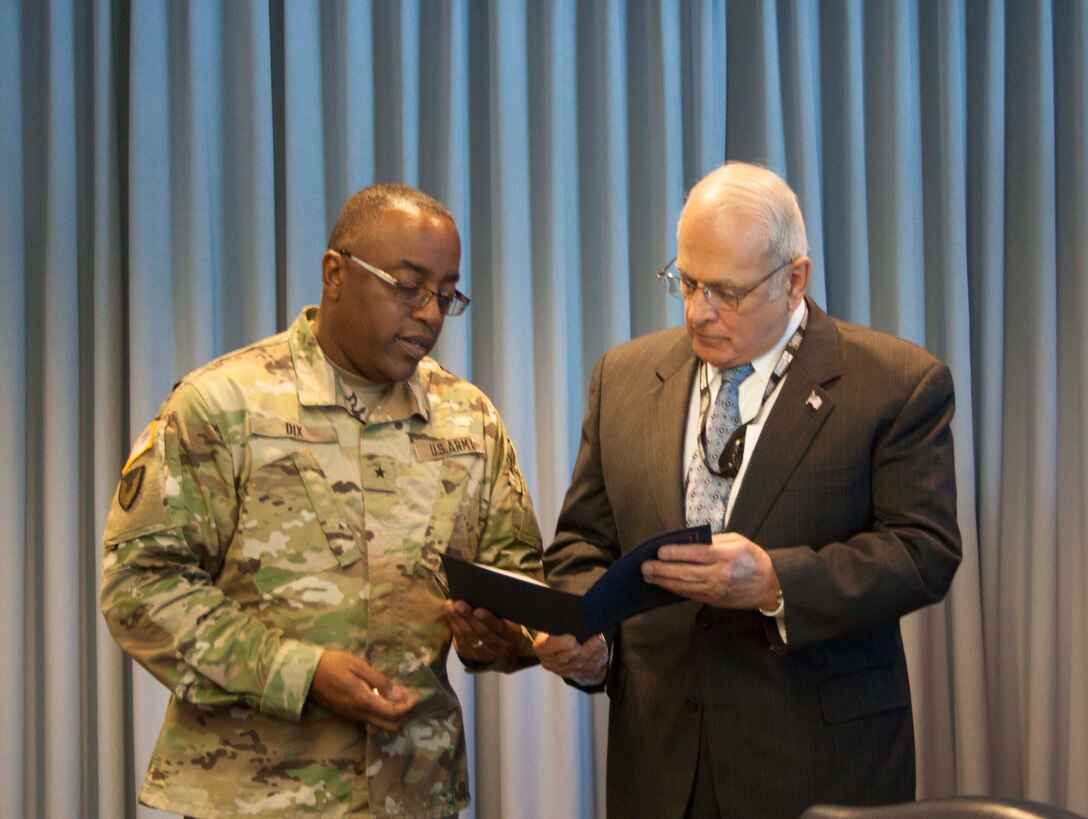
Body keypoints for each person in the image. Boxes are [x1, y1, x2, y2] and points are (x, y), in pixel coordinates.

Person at [100, 183, 543, 818]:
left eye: (446, 295)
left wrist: (500, 640)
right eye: (407, 285)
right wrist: (298, 673)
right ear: (334, 274)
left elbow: (517, 583)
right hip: (251, 796)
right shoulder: (224, 404)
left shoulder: (468, 419)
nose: (429, 313)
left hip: (414, 794)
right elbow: (138, 589)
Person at [534, 162, 962, 818]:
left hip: (818, 764)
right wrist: (586, 635)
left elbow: (924, 550)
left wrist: (775, 582)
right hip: (659, 764)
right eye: (687, 280)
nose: (697, 311)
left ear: (794, 279)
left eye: (726, 292)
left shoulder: (895, 382)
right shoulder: (621, 376)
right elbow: (580, 545)